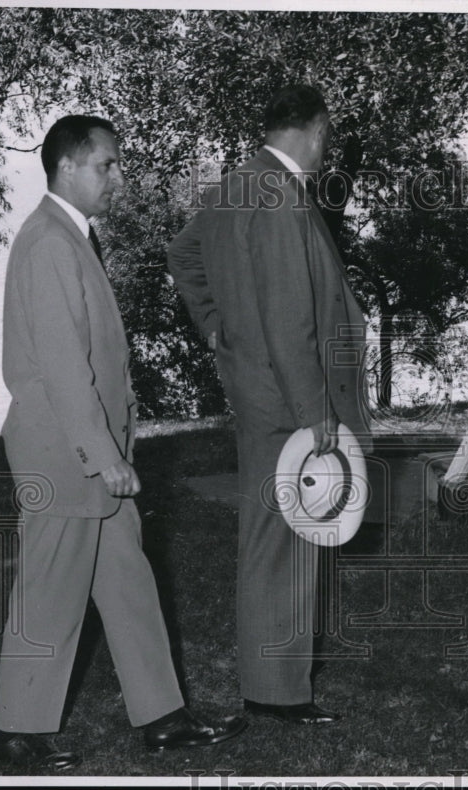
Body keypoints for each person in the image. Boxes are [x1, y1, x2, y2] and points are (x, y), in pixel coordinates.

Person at [0, 114, 246, 772]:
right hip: (65, 454)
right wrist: (104, 457)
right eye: (108, 165)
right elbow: (65, 367)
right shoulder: (47, 242)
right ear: (68, 167)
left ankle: (162, 717)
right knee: (48, 590)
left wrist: (110, 452)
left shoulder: (73, 238)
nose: (117, 178)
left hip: (92, 455)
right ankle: (12, 732)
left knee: (127, 583)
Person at [167, 85, 371, 724]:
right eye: (327, 136)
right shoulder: (279, 196)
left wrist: (215, 327)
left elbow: (183, 255)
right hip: (290, 402)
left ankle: (271, 687)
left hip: (257, 393)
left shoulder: (234, 184)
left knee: (270, 539)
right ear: (315, 130)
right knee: (291, 543)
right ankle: (279, 695)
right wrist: (318, 413)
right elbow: (289, 321)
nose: (327, 148)